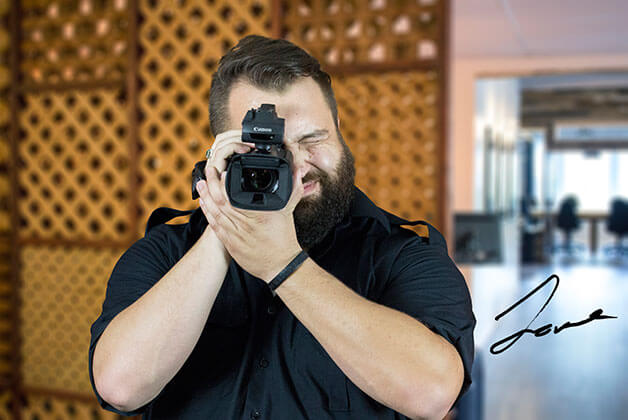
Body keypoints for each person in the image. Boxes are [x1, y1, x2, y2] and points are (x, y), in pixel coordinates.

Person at [89, 35, 475, 420]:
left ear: (338, 130)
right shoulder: (168, 251)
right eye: (266, 150)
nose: (296, 167)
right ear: (222, 150)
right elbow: (120, 387)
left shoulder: (402, 256)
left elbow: (434, 395)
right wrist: (223, 229)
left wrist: (283, 265)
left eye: (312, 139)